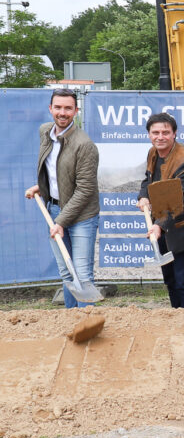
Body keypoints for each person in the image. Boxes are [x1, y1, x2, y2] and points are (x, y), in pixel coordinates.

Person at [25, 88, 100, 308]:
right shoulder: (45, 132)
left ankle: (88, 323)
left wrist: (60, 222)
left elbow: (85, 189)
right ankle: (72, 323)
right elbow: (58, 171)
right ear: (50, 109)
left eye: (68, 108)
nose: (62, 112)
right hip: (55, 210)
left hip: (82, 216)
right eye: (58, 107)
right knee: (67, 274)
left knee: (82, 275)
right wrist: (42, 187)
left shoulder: (84, 145)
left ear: (76, 111)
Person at [137, 113, 184, 308]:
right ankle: (176, 319)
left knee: (183, 279)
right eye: (155, 132)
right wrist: (143, 195)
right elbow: (147, 179)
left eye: (165, 132)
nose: (160, 137)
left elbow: (177, 200)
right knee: (170, 279)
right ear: (149, 134)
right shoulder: (153, 153)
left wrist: (158, 226)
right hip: (163, 226)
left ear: (174, 134)